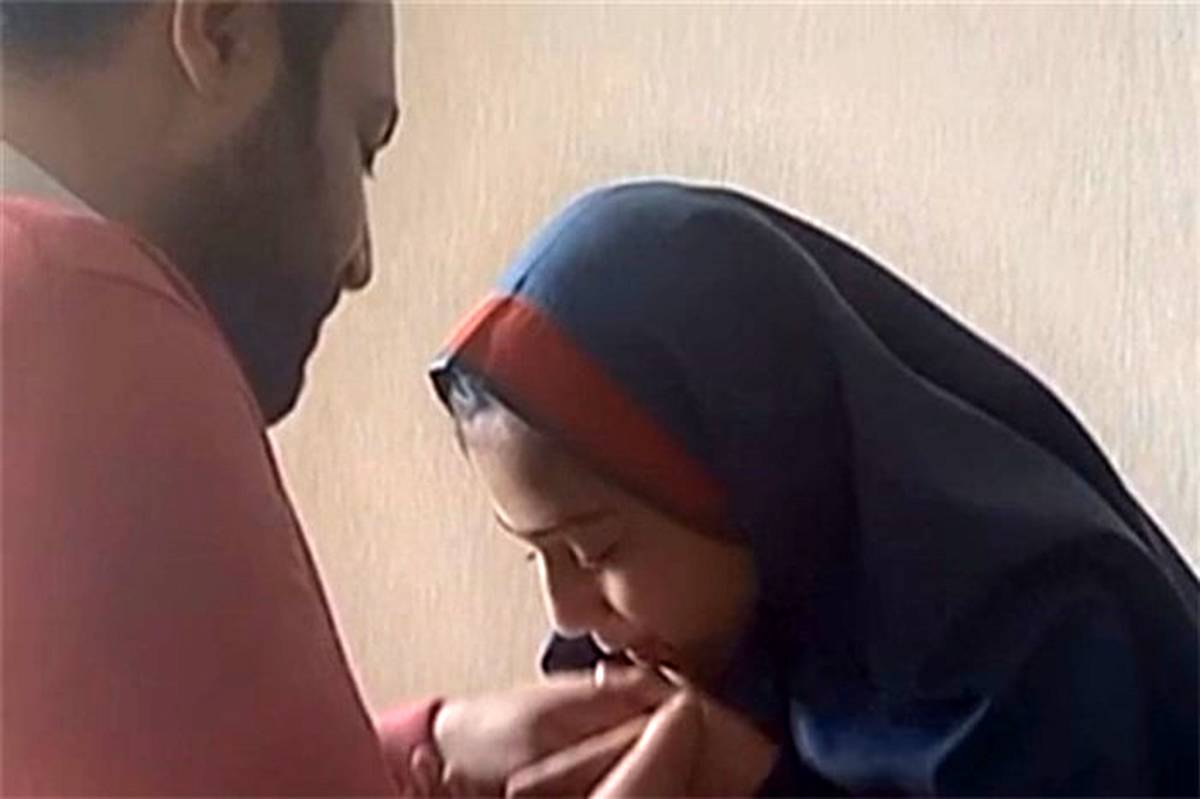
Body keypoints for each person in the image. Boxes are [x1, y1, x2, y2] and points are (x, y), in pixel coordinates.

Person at [1, 3, 673, 794]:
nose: (359, 258)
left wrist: (420, 752)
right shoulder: (80, 312)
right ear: (222, 33)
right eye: (362, 146)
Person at [429, 179, 1200, 796]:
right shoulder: (663, 653)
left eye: (594, 549)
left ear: (747, 468)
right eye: (533, 553)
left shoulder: (1045, 655)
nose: (567, 613)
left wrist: (761, 786)